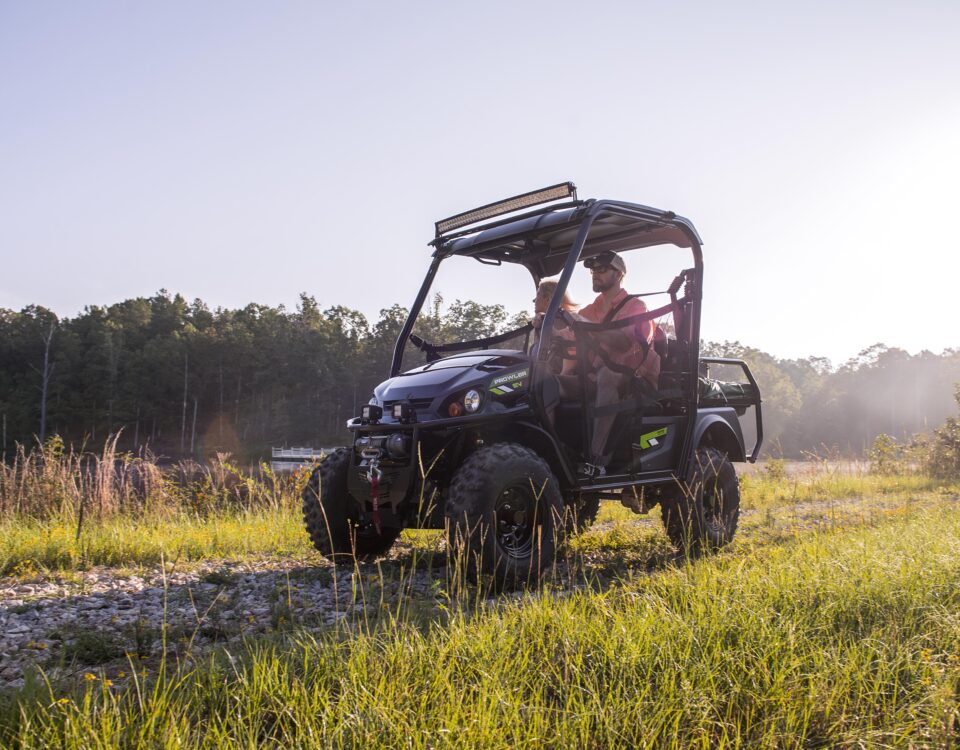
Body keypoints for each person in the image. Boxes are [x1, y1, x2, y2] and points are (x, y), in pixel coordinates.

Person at [558, 250, 660, 476]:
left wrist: (585, 326)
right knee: (549, 384)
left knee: (606, 375)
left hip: (632, 380)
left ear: (620, 274)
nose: (595, 274)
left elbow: (623, 343)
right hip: (595, 377)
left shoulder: (636, 306)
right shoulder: (591, 310)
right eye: (593, 271)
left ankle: (596, 462)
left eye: (602, 270)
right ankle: (556, 452)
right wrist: (545, 324)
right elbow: (566, 335)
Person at [531, 279, 579, 374]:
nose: (534, 300)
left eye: (538, 295)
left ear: (548, 299)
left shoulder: (557, 322)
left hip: (551, 381)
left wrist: (542, 317)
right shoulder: (548, 321)